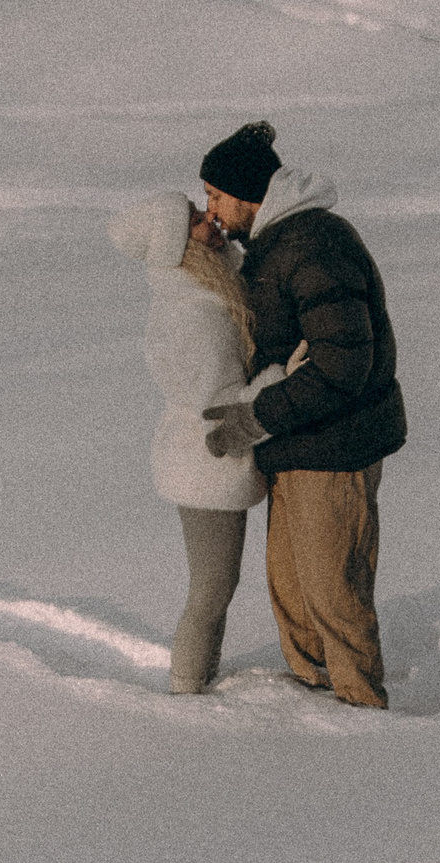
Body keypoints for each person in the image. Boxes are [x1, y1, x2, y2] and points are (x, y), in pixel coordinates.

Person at [198, 121, 406, 709]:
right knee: (292, 587)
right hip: (296, 442)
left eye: (215, 196)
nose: (210, 210)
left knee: (332, 587)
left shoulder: (315, 245)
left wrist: (257, 416)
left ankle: (360, 705)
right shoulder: (272, 246)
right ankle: (313, 694)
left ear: (247, 195)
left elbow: (343, 366)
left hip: (336, 445)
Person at [107, 190, 285, 693]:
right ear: (173, 241)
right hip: (206, 461)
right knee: (211, 587)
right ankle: (185, 690)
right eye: (192, 218)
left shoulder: (203, 291)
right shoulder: (191, 310)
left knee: (216, 585)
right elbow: (219, 401)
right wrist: (278, 380)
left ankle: (198, 678)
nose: (209, 217)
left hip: (203, 459)